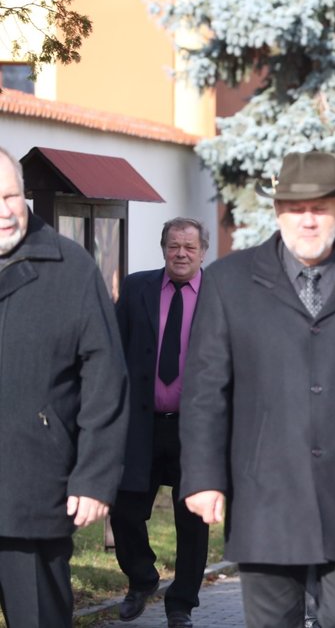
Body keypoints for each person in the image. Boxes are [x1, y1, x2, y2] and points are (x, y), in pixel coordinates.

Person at [178, 151, 335, 627]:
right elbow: (206, 389)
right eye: (296, 207)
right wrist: (203, 475)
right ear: (278, 211)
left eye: (320, 207)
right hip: (265, 494)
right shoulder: (230, 283)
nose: (308, 219)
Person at [0, 147, 129, 627]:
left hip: (34, 490)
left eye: (10, 195)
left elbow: (105, 377)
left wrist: (95, 476)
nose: (2, 210)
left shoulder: (71, 268)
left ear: (25, 194)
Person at [111, 218, 210, 627]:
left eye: (189, 246)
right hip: (141, 425)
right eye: (174, 246)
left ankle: (181, 604)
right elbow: (113, 349)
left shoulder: (219, 296)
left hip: (196, 429)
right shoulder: (137, 288)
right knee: (124, 508)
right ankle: (142, 576)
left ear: (203, 250)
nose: (181, 254)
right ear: (163, 248)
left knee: (193, 520)